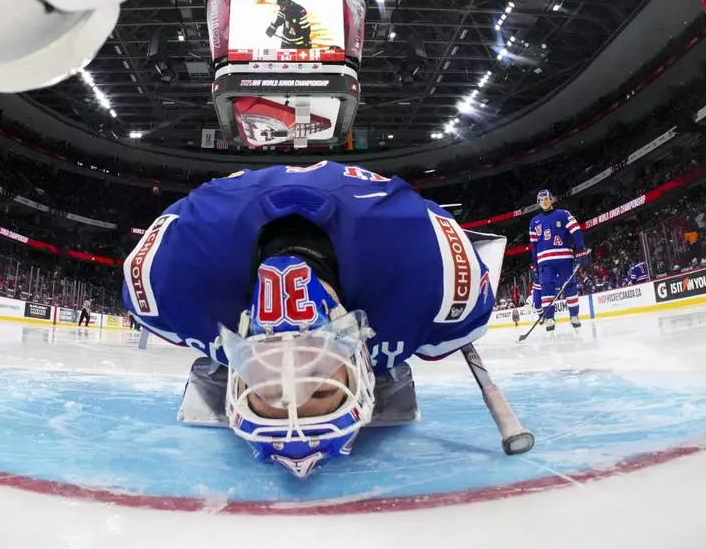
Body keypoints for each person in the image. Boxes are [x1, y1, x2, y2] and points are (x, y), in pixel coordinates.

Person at [121, 161, 502, 479]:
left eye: (269, 392)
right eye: (320, 390)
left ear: (239, 386)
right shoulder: (435, 275)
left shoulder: (167, 277)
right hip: (374, 218)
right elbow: (443, 244)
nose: (294, 370)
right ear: (361, 374)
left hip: (225, 211)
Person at [528, 190, 588, 332]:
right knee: (547, 289)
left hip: (564, 258)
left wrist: (580, 249)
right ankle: (549, 318)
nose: (544, 201)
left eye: (547, 198)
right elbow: (534, 245)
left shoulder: (564, 214)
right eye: (541, 199)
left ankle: (574, 316)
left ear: (552, 199)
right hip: (544, 261)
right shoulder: (534, 221)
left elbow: (576, 231)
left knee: (570, 287)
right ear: (538, 203)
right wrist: (534, 263)